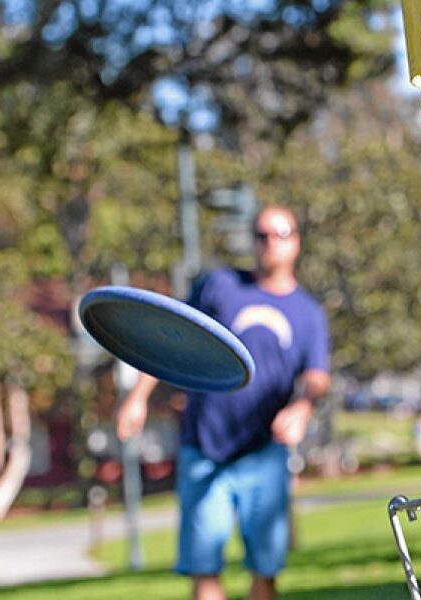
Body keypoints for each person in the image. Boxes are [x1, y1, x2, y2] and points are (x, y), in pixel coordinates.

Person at [117, 206, 331, 600]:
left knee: (264, 572)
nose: (270, 243)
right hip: (203, 446)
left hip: (263, 453)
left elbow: (317, 375)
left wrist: (301, 408)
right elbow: (171, 337)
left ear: (296, 241)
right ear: (252, 241)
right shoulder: (220, 286)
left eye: (280, 234)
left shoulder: (308, 313)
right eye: (261, 235)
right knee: (204, 570)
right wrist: (137, 398)